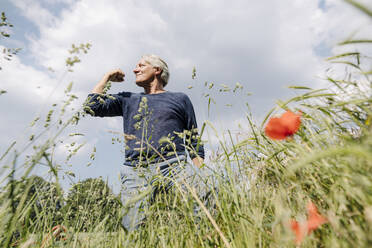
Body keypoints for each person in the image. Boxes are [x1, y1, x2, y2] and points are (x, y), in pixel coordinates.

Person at [84, 54, 205, 230]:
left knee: (203, 202)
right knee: (133, 224)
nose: (135, 69)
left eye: (141, 65)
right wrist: (107, 78)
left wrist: (202, 175)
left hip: (174, 164)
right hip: (135, 168)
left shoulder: (180, 99)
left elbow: (193, 140)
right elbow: (91, 106)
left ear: (157, 70)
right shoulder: (128, 99)